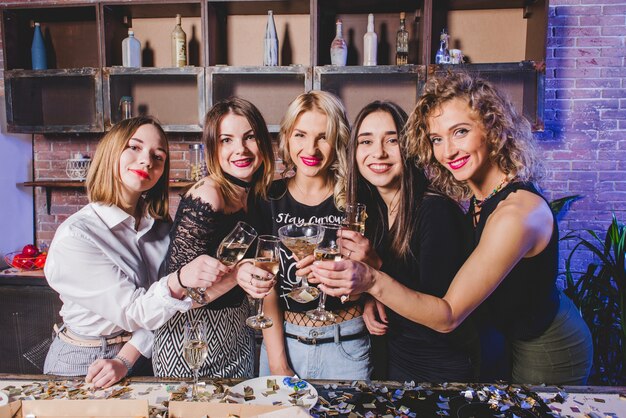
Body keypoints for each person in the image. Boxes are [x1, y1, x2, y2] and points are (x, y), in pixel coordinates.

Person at [312, 73, 593, 385]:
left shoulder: (515, 212)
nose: (447, 152)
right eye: (436, 139)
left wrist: (372, 279)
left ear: (493, 127)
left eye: (460, 132)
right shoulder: (480, 196)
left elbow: (448, 316)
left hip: (544, 342)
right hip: (505, 335)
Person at [44, 116, 223, 388]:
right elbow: (134, 311)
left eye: (158, 156)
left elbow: (166, 308)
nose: (147, 161)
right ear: (112, 151)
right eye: (135, 147)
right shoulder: (77, 236)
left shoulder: (161, 229)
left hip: (146, 354)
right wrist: (180, 279)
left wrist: (128, 357)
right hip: (85, 359)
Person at [336, 100, 478, 382]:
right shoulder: (375, 211)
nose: (378, 153)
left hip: (439, 367)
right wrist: (366, 298)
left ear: (410, 147)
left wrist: (374, 273)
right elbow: (387, 287)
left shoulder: (434, 210)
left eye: (392, 140)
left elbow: (440, 314)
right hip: (394, 359)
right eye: (366, 141)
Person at [251, 91, 372, 380]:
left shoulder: (356, 198)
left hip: (346, 346)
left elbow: (373, 269)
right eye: (300, 135)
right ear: (287, 138)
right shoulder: (267, 197)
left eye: (323, 136)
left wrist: (369, 296)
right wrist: (279, 364)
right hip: (283, 343)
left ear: (338, 139)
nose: (311, 149)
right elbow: (265, 284)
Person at [152, 98, 276, 378]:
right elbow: (178, 297)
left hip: (238, 330)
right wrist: (238, 274)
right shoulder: (208, 196)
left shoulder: (254, 195)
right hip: (191, 336)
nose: (240, 149)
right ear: (212, 148)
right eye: (226, 140)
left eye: (250, 137)